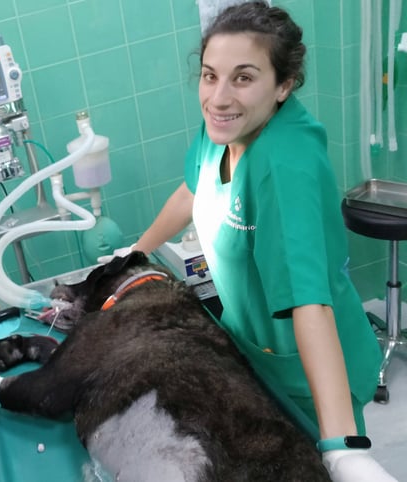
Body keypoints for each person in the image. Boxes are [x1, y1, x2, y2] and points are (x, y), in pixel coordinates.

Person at [132, 2, 395, 481]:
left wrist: (343, 447)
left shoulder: (286, 163)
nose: (219, 97)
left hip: (311, 371)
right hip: (254, 350)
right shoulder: (224, 126)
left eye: (243, 78)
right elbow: (193, 189)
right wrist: (134, 253)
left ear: (283, 86)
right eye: (210, 76)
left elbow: (308, 301)